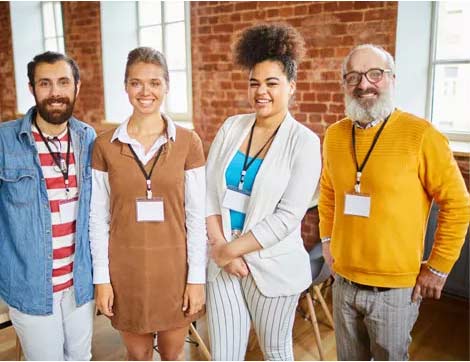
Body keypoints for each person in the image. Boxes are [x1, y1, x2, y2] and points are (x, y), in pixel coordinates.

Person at [318, 44, 470, 361]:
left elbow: (458, 204)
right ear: (344, 84)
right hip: (343, 283)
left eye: (375, 74)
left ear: (392, 79)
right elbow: (329, 192)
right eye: (354, 77)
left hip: (394, 291)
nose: (364, 84)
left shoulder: (422, 135)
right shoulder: (334, 135)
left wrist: (439, 269)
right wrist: (328, 241)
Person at [206, 23, 321, 361]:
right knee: (224, 353)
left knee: (275, 351)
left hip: (271, 267)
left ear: (291, 87)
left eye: (272, 83)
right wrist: (219, 248)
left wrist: (231, 250)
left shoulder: (304, 142)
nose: (261, 91)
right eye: (254, 83)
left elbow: (287, 217)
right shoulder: (232, 126)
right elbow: (208, 193)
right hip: (222, 261)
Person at [90, 47, 207, 361]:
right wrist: (101, 279)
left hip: (175, 270)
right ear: (126, 86)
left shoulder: (188, 142)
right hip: (125, 271)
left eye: (155, 83)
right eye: (136, 83)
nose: (146, 92)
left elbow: (196, 218)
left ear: (167, 86)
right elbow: (97, 220)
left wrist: (197, 279)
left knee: (172, 355)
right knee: (138, 356)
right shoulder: (104, 145)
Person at [0, 51, 96, 360]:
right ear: (31, 89)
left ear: (76, 87)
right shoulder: (5, 141)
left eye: (63, 82)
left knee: (81, 358)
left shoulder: (87, 138)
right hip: (31, 285)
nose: (55, 92)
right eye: (45, 83)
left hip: (79, 283)